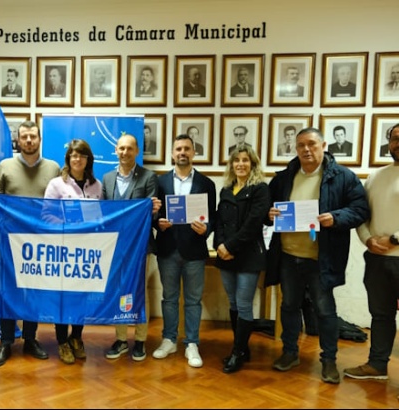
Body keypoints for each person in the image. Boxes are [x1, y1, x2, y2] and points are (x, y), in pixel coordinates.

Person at [265, 127, 369, 384]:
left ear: (323, 146)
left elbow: (360, 210)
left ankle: (329, 360)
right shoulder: (283, 178)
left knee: (324, 310)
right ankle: (290, 352)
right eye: (301, 145)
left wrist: (336, 217)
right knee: (289, 306)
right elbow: (266, 210)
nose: (306, 149)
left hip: (321, 259)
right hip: (288, 255)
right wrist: (269, 215)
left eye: (312, 144)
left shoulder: (343, 177)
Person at [0, 120, 60, 367]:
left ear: (39, 139)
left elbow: (60, 203)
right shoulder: (5, 166)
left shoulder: (53, 168)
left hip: (41, 242)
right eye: (24, 137)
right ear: (18, 140)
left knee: (33, 292)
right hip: (9, 241)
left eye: (33, 136)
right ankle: (6, 341)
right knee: (7, 291)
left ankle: (30, 338)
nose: (29, 140)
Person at [152, 133, 216, 368]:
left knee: (193, 300)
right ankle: (169, 339)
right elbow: (153, 213)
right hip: (167, 249)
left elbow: (213, 217)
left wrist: (206, 229)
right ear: (172, 153)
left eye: (187, 149)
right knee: (169, 298)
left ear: (193, 153)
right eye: (178, 149)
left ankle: (191, 343)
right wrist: (157, 222)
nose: (182, 153)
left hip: (194, 251)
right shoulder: (159, 182)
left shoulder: (206, 184)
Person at [343, 123, 399, 382]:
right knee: (380, 315)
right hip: (376, 259)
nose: (398, 143)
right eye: (395, 138)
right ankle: (377, 365)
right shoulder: (375, 177)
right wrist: (367, 240)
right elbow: (361, 214)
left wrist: (394, 239)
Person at [103, 133, 161, 362]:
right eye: (121, 148)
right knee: (119, 291)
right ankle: (120, 339)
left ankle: (140, 340)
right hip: (115, 247)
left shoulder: (149, 177)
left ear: (137, 151)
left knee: (139, 291)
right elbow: (104, 212)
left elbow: (151, 213)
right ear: (115, 151)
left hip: (139, 246)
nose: (125, 152)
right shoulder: (107, 178)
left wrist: (153, 210)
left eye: (129, 148)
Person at [44, 139, 102, 364]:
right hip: (63, 251)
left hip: (86, 252)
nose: (77, 159)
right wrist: (67, 224)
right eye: (74, 155)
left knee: (82, 297)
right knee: (62, 298)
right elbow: (46, 215)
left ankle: (76, 337)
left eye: (82, 155)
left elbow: (100, 216)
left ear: (88, 159)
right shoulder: (56, 184)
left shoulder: (96, 186)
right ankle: (62, 341)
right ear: (68, 158)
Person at [214, 145, 270, 373]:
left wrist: (230, 246)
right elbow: (219, 221)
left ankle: (237, 353)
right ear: (231, 164)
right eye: (236, 160)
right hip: (225, 255)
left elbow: (253, 224)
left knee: (244, 303)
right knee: (234, 303)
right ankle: (242, 348)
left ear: (252, 164)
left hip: (248, 256)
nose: (240, 164)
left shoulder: (260, 189)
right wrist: (219, 245)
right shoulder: (226, 189)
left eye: (245, 160)